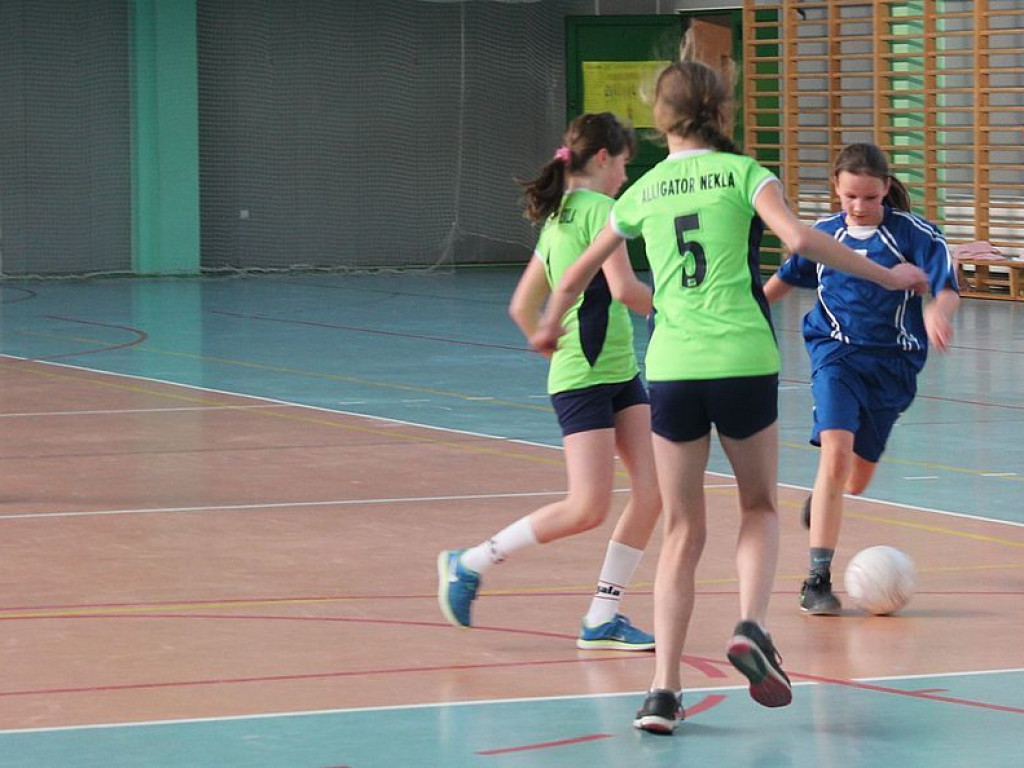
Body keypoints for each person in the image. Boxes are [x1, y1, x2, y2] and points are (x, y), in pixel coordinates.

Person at [531, 62, 929, 734]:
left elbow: (576, 271)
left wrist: (549, 320)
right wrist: (887, 274)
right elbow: (801, 241)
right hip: (743, 360)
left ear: (661, 117)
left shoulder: (645, 188)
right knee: (758, 506)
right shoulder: (747, 174)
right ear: (724, 111)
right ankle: (750, 624)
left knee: (682, 530)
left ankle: (662, 691)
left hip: (674, 366)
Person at [437, 112, 662, 651]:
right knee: (587, 507)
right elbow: (627, 289)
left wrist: (551, 346)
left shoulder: (559, 216)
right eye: (625, 165)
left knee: (653, 495)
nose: (626, 179)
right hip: (588, 376)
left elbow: (521, 305)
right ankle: (468, 563)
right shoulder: (604, 210)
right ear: (605, 159)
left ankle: (602, 617)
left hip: (615, 372)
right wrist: (682, 312)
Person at [763, 142, 959, 615]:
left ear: (886, 190)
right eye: (850, 196)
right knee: (835, 452)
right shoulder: (823, 236)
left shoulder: (915, 234)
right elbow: (783, 281)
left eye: (869, 198)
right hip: (836, 355)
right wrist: (745, 313)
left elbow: (948, 288)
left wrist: (937, 311)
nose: (859, 206)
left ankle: (824, 491)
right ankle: (817, 579)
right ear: (837, 188)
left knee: (855, 481)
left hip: (893, 366)